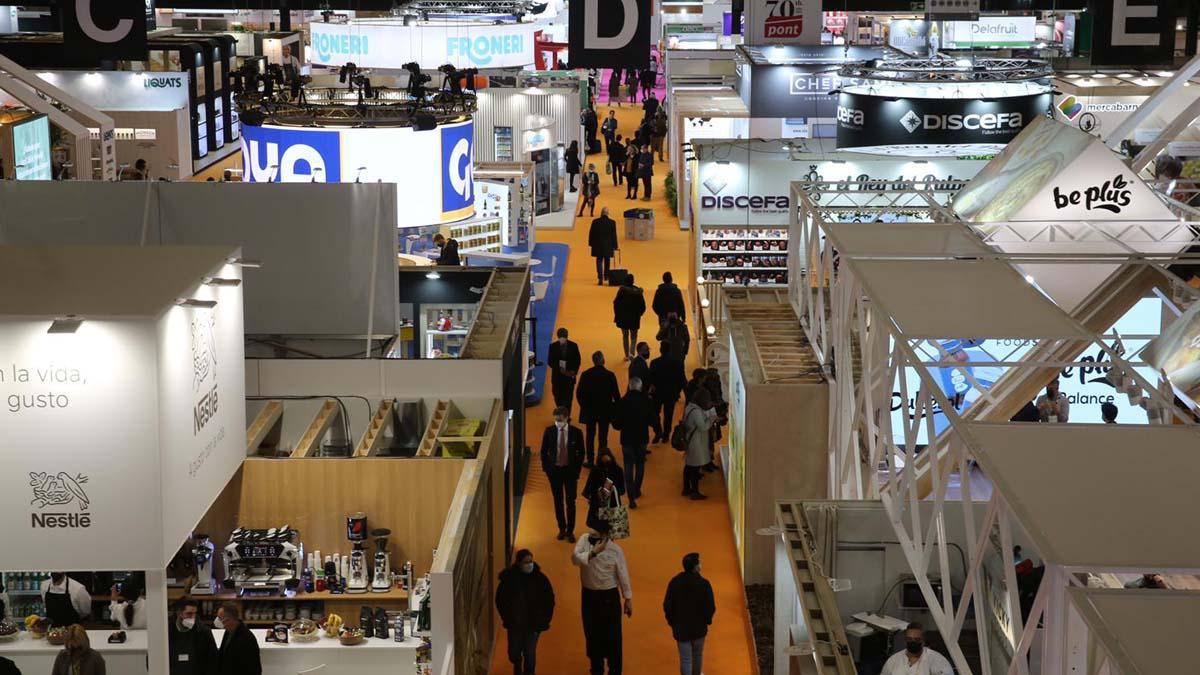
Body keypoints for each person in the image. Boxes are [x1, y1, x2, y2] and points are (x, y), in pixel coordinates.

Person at [572, 520, 633, 675]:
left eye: (597, 532)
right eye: (592, 530)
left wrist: (628, 598)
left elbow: (623, 574)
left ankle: (615, 670)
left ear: (606, 535)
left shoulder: (616, 550)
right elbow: (574, 559)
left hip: (609, 597)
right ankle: (596, 668)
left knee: (613, 638)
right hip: (589, 596)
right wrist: (593, 552)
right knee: (592, 635)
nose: (592, 534)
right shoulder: (584, 540)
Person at [495, 549, 555, 675]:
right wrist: (507, 618)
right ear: (519, 563)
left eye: (531, 561)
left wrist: (545, 620)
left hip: (534, 624)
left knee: (529, 653)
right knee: (514, 652)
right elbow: (500, 600)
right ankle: (517, 663)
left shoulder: (540, 579)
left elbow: (549, 600)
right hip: (515, 623)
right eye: (526, 562)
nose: (529, 565)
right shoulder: (509, 580)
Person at [663, 552, 715, 675]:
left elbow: (667, 605)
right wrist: (707, 620)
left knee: (686, 659)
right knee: (697, 655)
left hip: (681, 629)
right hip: (699, 628)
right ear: (696, 567)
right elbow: (710, 606)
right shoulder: (704, 584)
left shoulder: (675, 582)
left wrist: (672, 622)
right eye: (699, 562)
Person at [613, 377, 660, 508]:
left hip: (627, 439)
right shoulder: (646, 401)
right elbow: (653, 420)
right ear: (640, 387)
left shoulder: (622, 402)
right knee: (640, 464)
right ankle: (637, 489)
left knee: (628, 466)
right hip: (641, 438)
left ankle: (630, 496)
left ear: (629, 386)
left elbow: (616, 423)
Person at [541, 406, 586, 542]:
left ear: (567, 418)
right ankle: (561, 528)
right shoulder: (549, 432)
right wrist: (547, 469)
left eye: (560, 420)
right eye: (556, 420)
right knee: (558, 501)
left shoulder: (576, 432)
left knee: (570, 501)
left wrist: (576, 470)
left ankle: (570, 530)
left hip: (570, 472)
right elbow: (544, 452)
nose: (558, 422)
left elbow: (581, 453)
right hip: (554, 472)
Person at [577, 351, 621, 467]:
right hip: (605, 411)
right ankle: (601, 459)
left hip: (590, 411)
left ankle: (590, 460)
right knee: (603, 437)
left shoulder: (586, 374)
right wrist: (616, 410)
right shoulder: (610, 375)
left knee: (590, 436)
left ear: (593, 361)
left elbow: (579, 393)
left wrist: (585, 406)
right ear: (603, 360)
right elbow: (616, 395)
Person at [681, 389, 717, 499]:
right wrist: (711, 419)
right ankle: (694, 492)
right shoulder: (696, 412)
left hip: (690, 440)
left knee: (689, 466)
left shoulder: (690, 407)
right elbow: (703, 427)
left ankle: (686, 488)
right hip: (696, 442)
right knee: (695, 468)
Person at [169, 598, 219, 675]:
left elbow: (213, 660)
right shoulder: (167, 632)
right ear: (179, 613)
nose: (192, 617)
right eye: (189, 613)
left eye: (194, 613)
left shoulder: (204, 632)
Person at [880, 623, 953, 675]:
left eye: (917, 639)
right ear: (905, 640)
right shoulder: (893, 660)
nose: (913, 642)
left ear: (923, 641)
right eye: (909, 639)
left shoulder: (937, 660)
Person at [650, 341, 687, 444]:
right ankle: (666, 435)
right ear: (670, 350)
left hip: (657, 394)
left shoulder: (654, 363)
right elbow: (681, 379)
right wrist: (678, 391)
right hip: (671, 394)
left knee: (655, 414)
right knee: (668, 415)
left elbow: (651, 379)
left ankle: (658, 431)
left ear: (660, 350)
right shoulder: (677, 363)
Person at [582, 449, 626, 532]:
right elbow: (622, 490)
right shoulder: (617, 470)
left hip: (600, 505)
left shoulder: (596, 470)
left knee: (599, 532)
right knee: (611, 532)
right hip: (609, 506)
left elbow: (588, 489)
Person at [216, 603, 262, 675]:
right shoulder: (228, 631)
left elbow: (254, 669)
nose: (217, 621)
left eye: (219, 618)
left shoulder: (247, 639)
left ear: (229, 620)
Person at [547, 328, 582, 413]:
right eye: (561, 337)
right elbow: (550, 361)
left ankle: (566, 416)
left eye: (564, 337)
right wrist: (559, 368)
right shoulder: (553, 346)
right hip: (557, 377)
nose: (562, 339)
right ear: (558, 337)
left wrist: (573, 371)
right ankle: (561, 412)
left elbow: (578, 360)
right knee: (557, 396)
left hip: (569, 377)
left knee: (568, 399)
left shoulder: (574, 346)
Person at [613, 274, 647, 360]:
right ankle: (632, 353)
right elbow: (643, 306)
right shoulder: (638, 292)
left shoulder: (622, 291)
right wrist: (639, 314)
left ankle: (626, 355)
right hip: (634, 318)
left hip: (623, 317)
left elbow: (616, 303)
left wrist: (618, 315)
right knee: (634, 336)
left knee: (625, 335)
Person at [588, 207, 619, 285]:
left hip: (597, 244)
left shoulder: (595, 222)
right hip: (608, 245)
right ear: (607, 213)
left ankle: (600, 277)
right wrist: (615, 245)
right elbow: (614, 235)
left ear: (601, 213)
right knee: (607, 260)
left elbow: (591, 233)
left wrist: (590, 243)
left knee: (599, 260)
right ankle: (606, 276)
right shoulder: (612, 222)